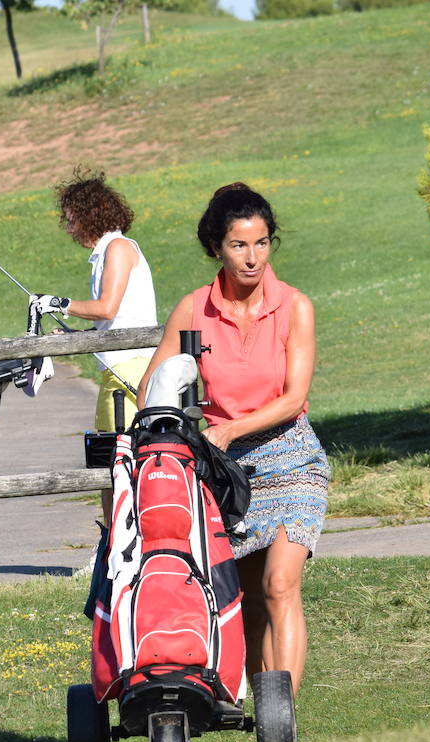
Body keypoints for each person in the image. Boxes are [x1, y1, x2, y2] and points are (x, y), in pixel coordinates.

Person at [138, 182, 329, 694]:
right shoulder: (194, 310)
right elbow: (150, 387)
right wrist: (170, 427)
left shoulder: (295, 307)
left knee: (280, 585)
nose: (252, 258)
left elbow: (293, 398)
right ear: (216, 248)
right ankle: (267, 727)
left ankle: (281, 718)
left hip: (292, 459)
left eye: (262, 243)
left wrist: (228, 429)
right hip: (227, 475)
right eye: (239, 245)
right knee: (247, 605)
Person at [52, 167, 158, 433]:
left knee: (126, 456)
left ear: (89, 218)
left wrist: (59, 304)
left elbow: (106, 308)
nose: (69, 229)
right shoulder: (106, 252)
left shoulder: (118, 248)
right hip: (116, 368)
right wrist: (79, 334)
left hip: (133, 367)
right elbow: (117, 319)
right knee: (107, 452)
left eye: (72, 220)